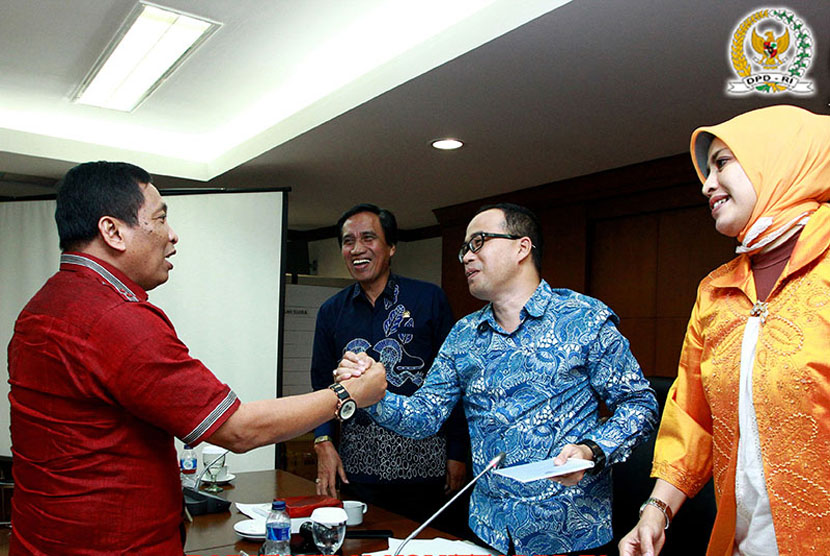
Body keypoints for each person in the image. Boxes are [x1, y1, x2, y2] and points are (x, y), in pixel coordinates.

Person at [7, 162, 386, 555]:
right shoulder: (115, 317)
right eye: (160, 219)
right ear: (112, 231)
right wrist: (350, 393)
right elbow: (239, 429)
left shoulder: (39, 309)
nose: (172, 236)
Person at [336, 203, 658, 555]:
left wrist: (591, 451)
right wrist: (369, 393)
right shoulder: (464, 335)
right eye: (464, 248)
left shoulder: (583, 318)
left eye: (479, 242)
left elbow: (638, 404)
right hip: (490, 531)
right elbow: (424, 415)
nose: (466, 257)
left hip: (571, 534)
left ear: (522, 247)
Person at [618, 105, 830, 556]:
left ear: (778, 158)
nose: (706, 184)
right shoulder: (715, 290)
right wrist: (655, 511)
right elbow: (691, 416)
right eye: (706, 170)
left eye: (722, 163)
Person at [310, 203, 468, 524]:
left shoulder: (428, 299)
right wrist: (323, 441)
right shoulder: (331, 311)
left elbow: (454, 382)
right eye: (348, 241)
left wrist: (457, 452)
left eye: (368, 238)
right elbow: (320, 385)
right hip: (358, 467)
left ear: (391, 246)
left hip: (424, 463)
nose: (357, 249)